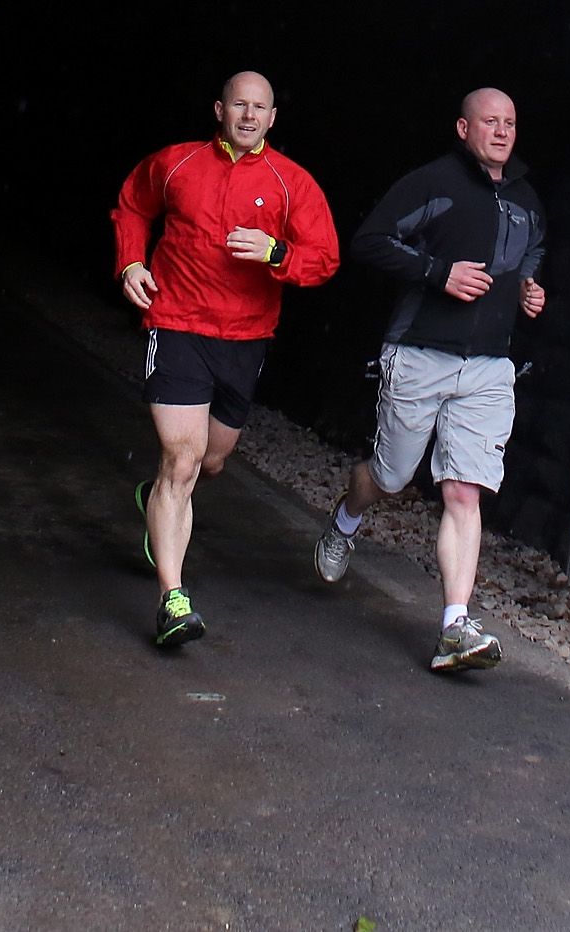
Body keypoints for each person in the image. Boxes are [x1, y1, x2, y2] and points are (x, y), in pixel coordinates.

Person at [311, 87, 545, 672]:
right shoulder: (432, 183)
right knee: (390, 478)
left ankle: (454, 627)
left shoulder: (526, 198)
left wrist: (528, 291)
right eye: (489, 121)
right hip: (420, 353)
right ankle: (346, 518)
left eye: (510, 122)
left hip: (490, 365)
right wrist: (438, 273)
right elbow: (368, 241)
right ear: (463, 128)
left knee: (465, 492)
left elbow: (530, 254)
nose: (501, 131)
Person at [113, 71, 339, 649]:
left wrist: (276, 252)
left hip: (245, 338)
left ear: (271, 118)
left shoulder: (291, 183)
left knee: (210, 464)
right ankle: (172, 597)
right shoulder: (178, 163)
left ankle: (155, 498)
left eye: (259, 107)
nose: (248, 115)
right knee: (181, 459)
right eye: (239, 104)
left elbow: (324, 259)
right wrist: (130, 262)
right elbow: (133, 206)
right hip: (178, 323)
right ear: (219, 109)